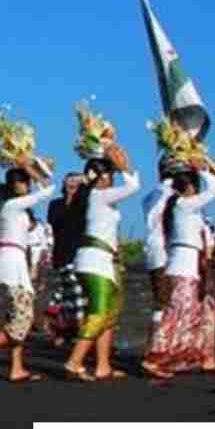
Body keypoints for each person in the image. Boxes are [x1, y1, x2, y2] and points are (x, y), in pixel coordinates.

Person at [142, 164, 215, 377]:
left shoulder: (184, 208)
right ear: (190, 187)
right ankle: (155, 357)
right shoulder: (184, 205)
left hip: (192, 264)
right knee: (177, 313)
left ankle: (206, 357)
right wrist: (200, 168)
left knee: (206, 310)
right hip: (184, 266)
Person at [0, 161, 54, 382]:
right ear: (17, 185)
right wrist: (28, 165)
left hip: (14, 259)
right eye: (25, 182)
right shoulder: (12, 205)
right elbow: (48, 189)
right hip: (11, 261)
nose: (28, 186)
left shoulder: (13, 207)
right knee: (24, 316)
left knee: (15, 313)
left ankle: (17, 367)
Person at [63, 146, 140, 381]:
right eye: (111, 174)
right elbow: (133, 187)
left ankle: (103, 365)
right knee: (98, 313)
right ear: (102, 177)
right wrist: (126, 168)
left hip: (100, 260)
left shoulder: (93, 197)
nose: (113, 178)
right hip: (96, 262)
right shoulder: (99, 195)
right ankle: (74, 362)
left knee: (108, 314)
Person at [44, 173, 85, 346]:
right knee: (72, 293)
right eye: (70, 180)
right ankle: (79, 336)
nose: (73, 184)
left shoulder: (84, 204)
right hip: (62, 253)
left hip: (80, 254)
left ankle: (64, 331)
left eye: (77, 182)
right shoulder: (56, 204)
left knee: (70, 294)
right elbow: (54, 223)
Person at [141, 171, 176, 343]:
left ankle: (157, 341)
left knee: (160, 298)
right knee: (168, 299)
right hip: (166, 248)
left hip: (152, 247)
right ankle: (160, 343)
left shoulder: (150, 196)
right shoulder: (171, 195)